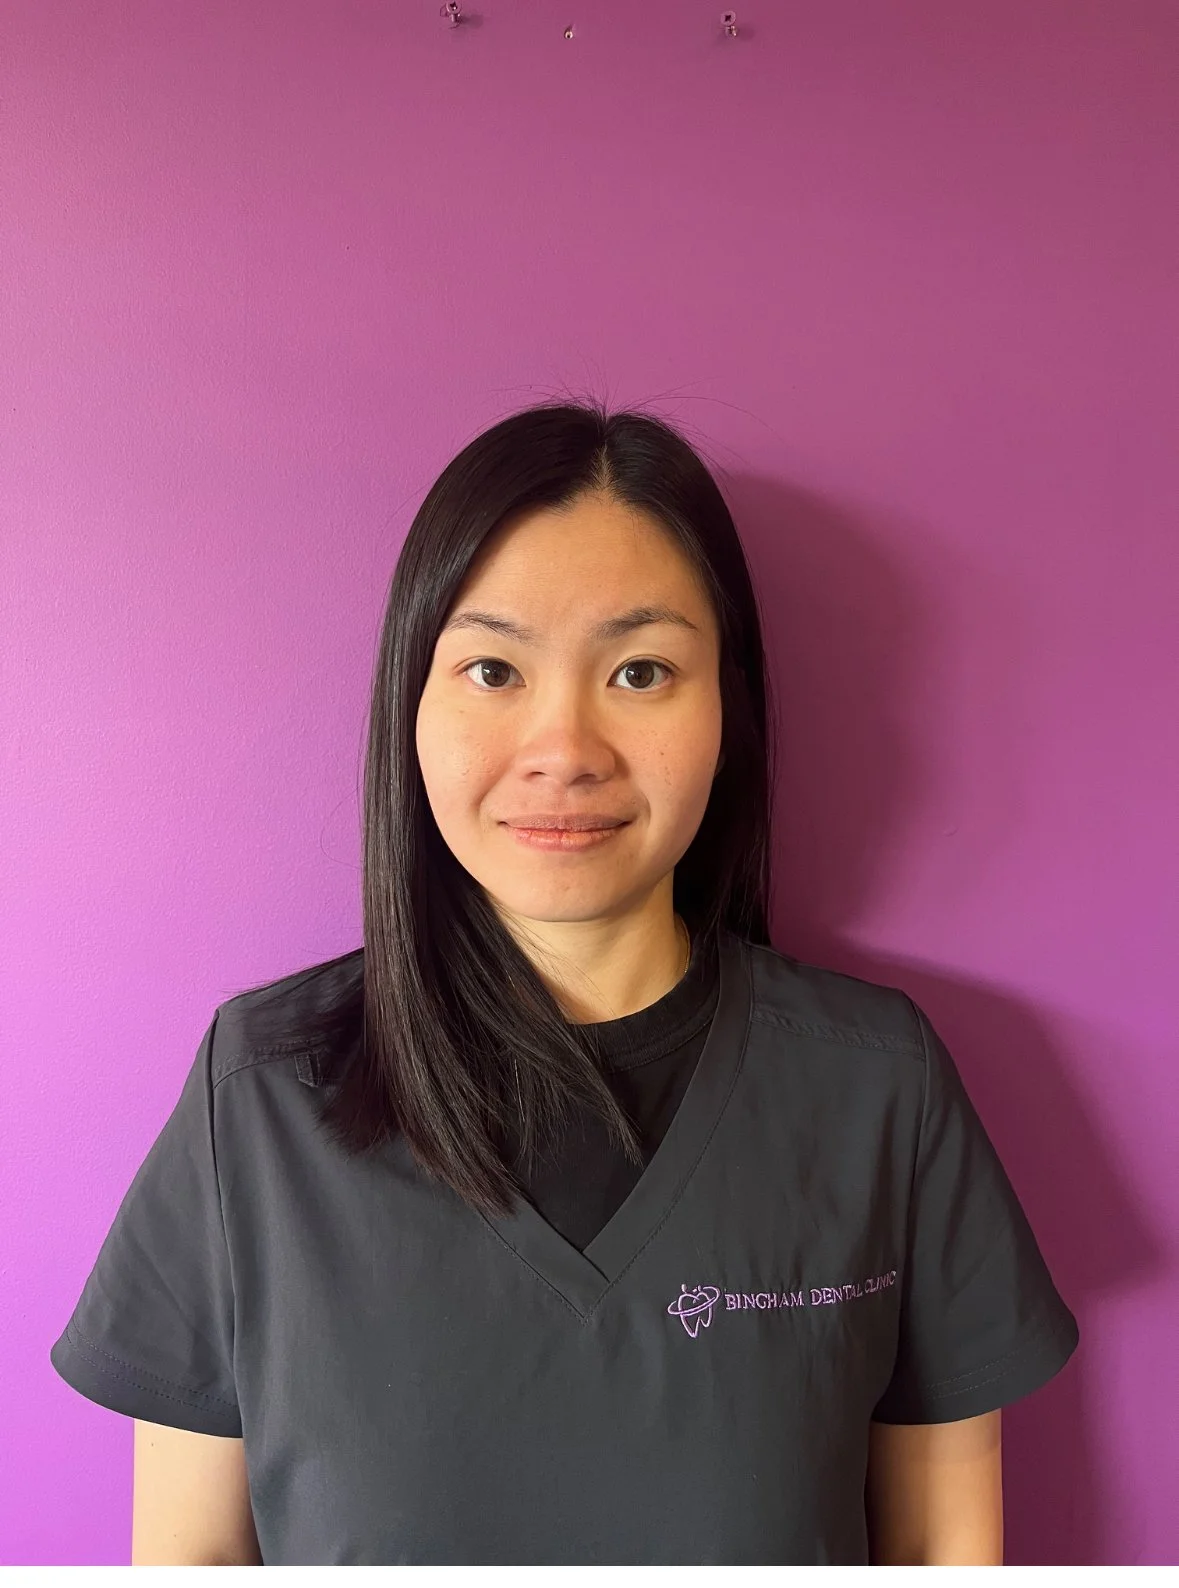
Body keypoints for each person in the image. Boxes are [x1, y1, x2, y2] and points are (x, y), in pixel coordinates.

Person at [50, 398, 1078, 1565]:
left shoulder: (879, 1090)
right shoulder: (260, 1100)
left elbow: (948, 1550)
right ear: (412, 703)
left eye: (641, 670)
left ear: (729, 710)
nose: (565, 749)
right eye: (493, 668)